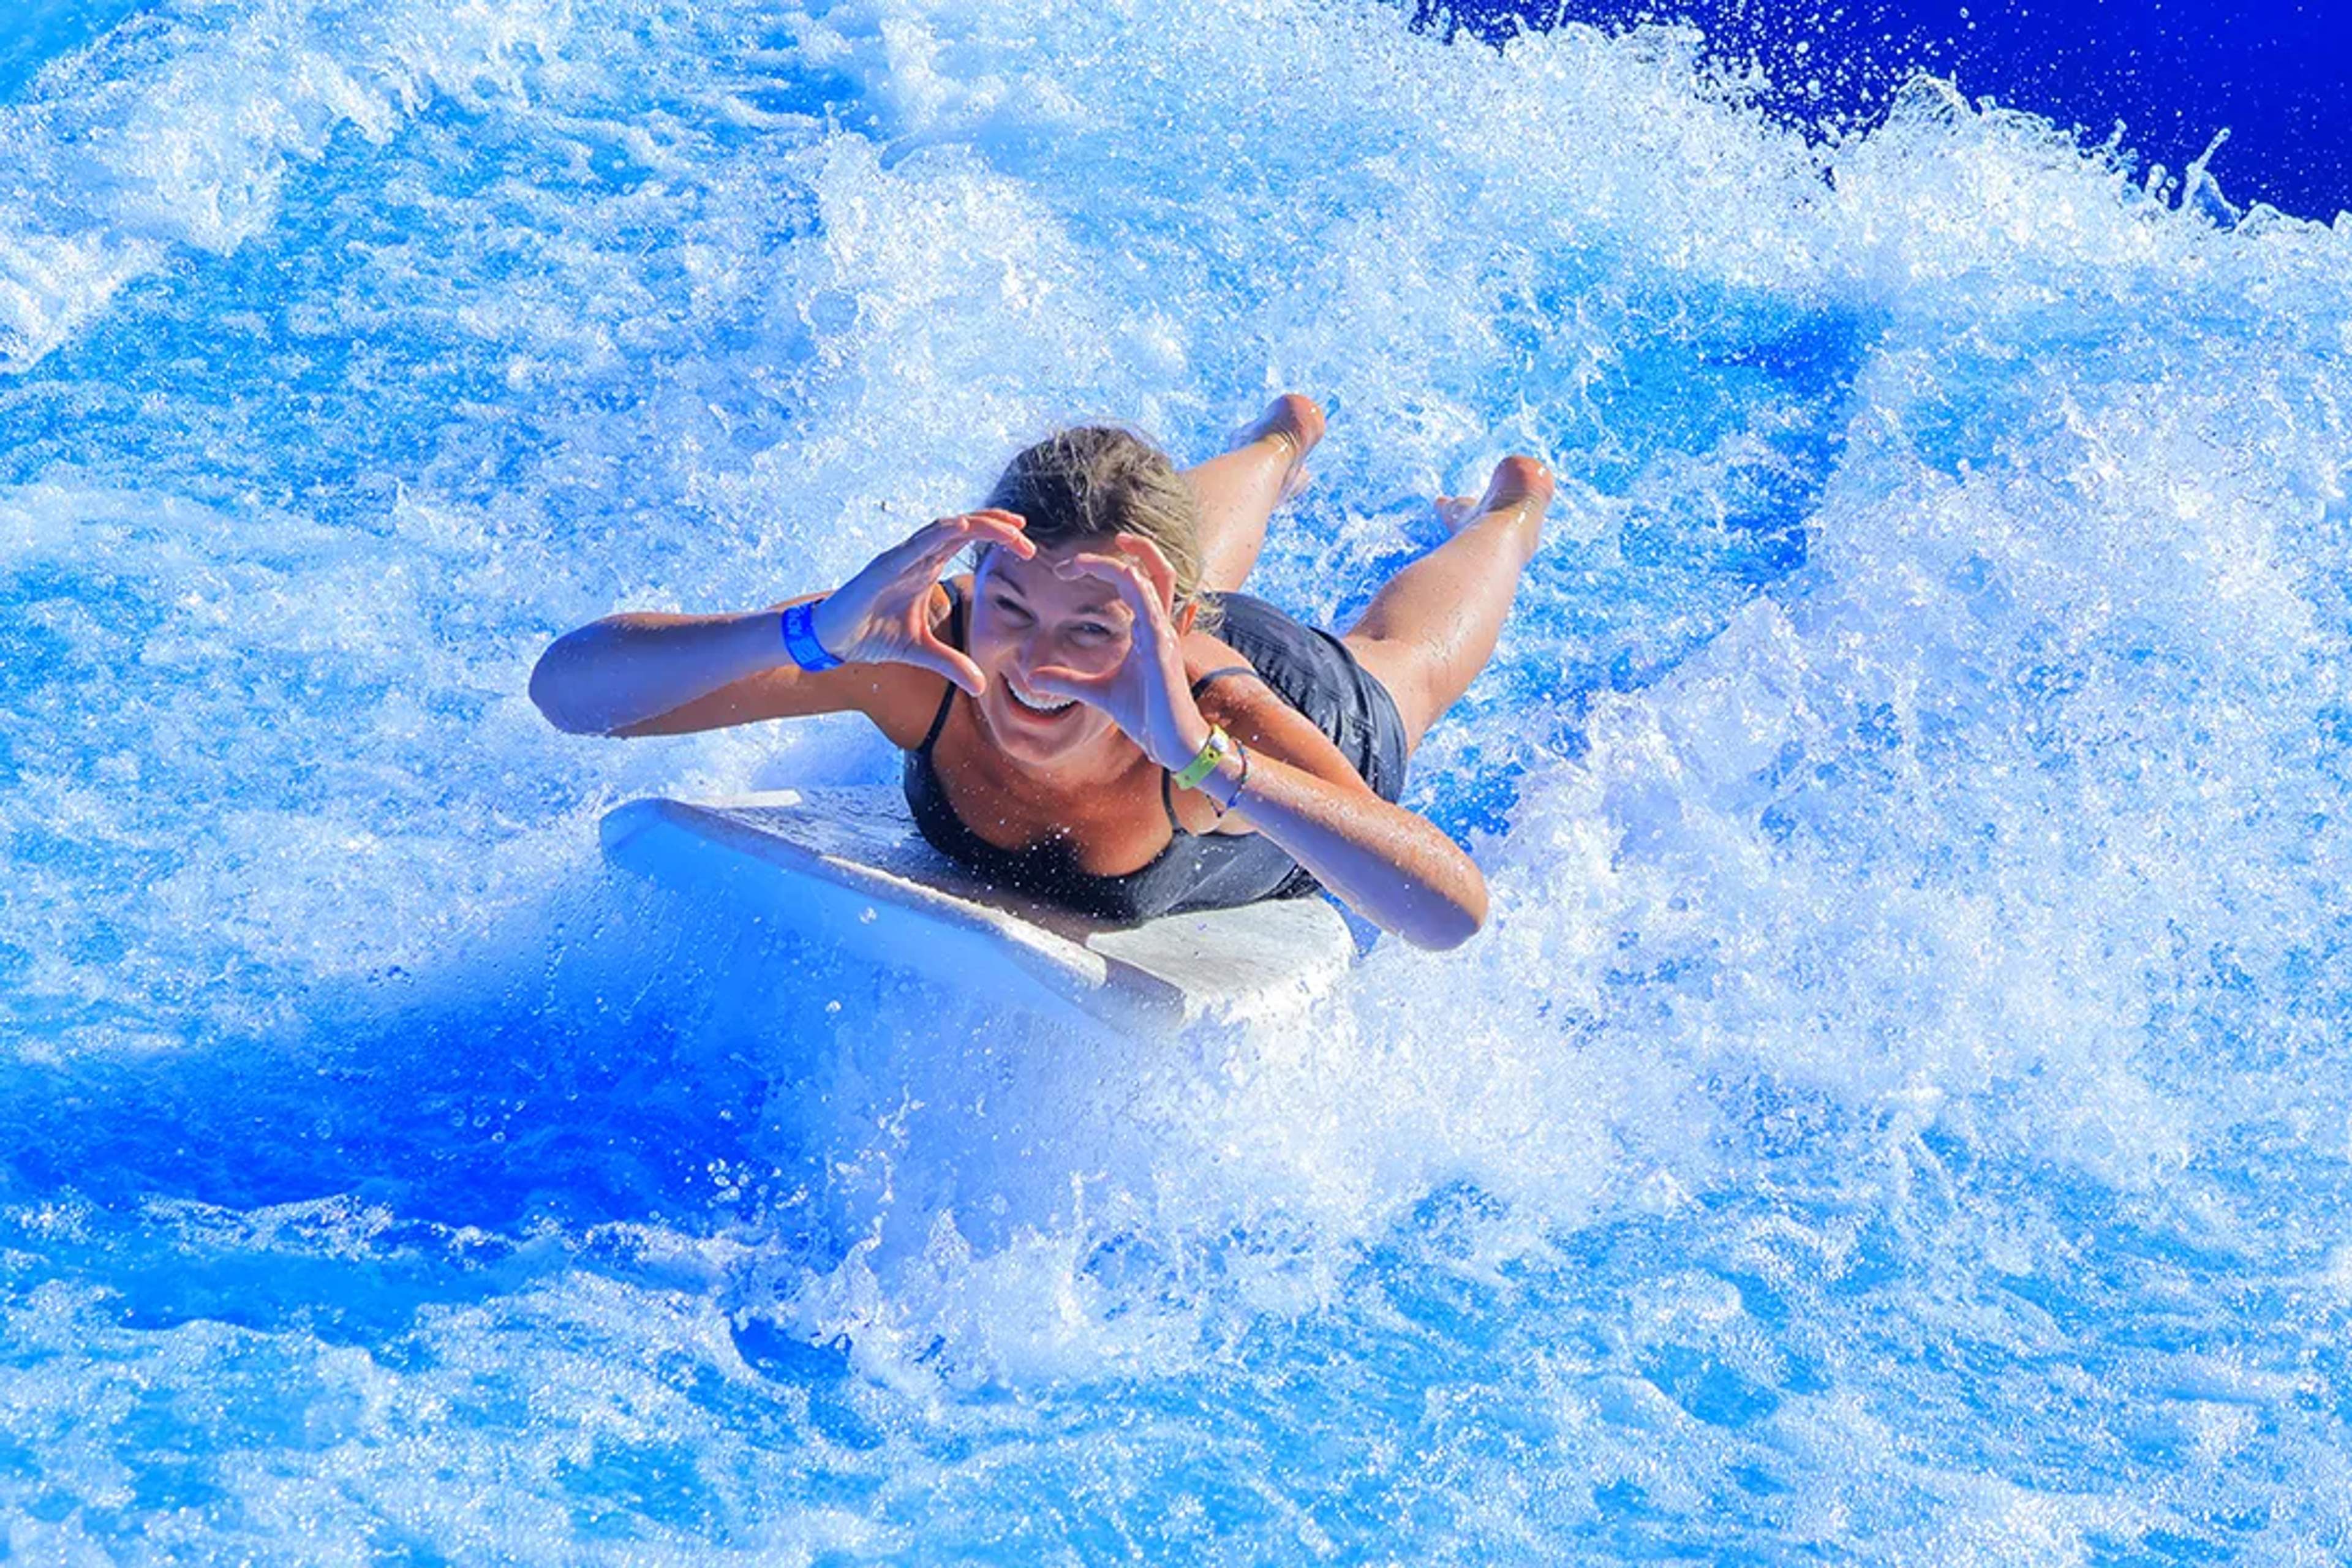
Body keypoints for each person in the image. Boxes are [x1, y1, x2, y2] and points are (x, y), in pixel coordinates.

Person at [530, 397, 1551, 951]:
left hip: (1263, 696)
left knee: (1400, 667)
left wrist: (1203, 761)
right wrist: (811, 632)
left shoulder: (1223, 725)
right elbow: (568, 696)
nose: (1039, 662)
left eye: (1090, 630)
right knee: (1132, 550)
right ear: (977, 585)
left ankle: (1513, 508)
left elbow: (1447, 911)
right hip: (1162, 602)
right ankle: (1282, 441)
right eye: (1011, 609)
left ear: (1167, 630)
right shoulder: (929, 655)